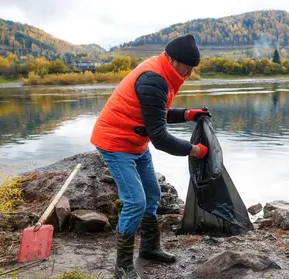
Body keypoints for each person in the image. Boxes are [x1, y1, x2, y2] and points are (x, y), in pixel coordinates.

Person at [90, 34, 210, 279]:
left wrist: (187, 114)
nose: (189, 73)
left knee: (152, 195)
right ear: (174, 60)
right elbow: (161, 138)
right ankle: (122, 268)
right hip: (116, 143)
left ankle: (149, 248)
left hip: (136, 143)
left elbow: (156, 113)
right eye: (188, 67)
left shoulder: (163, 73)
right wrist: (195, 150)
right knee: (135, 201)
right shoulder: (153, 79)